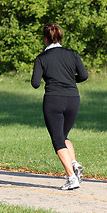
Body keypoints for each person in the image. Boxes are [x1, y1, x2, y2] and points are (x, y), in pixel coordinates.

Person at [31, 23, 88, 190]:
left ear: (45, 38)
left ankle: (71, 178)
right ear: (60, 37)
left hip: (54, 100)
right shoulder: (72, 54)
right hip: (73, 99)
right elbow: (84, 75)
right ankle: (74, 163)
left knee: (57, 140)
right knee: (63, 135)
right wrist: (69, 81)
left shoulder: (42, 58)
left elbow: (35, 83)